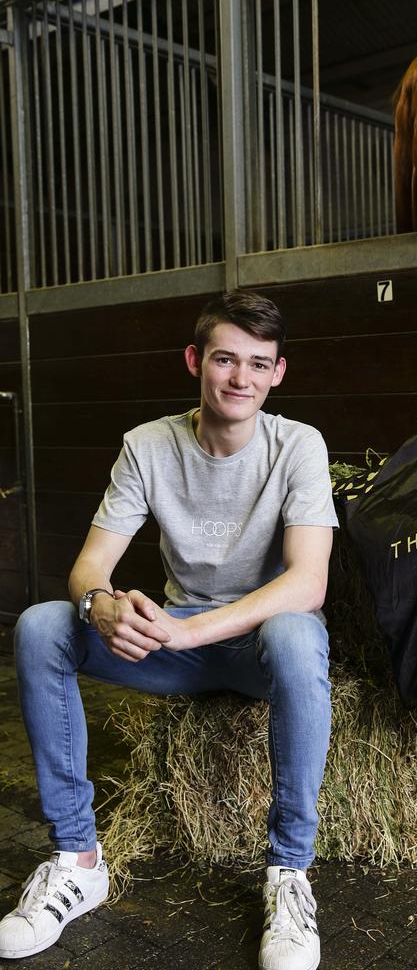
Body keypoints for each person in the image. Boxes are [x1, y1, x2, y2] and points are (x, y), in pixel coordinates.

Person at [0, 291, 338, 970]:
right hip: (175, 641)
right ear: (194, 361)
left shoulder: (298, 445)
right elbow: (90, 566)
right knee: (41, 627)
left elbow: (308, 583)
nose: (240, 378)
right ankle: (78, 859)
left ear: (278, 374)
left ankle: (289, 875)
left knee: (298, 634)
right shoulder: (148, 445)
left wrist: (193, 632)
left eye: (257, 364)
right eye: (224, 359)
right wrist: (100, 604)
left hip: (256, 644)